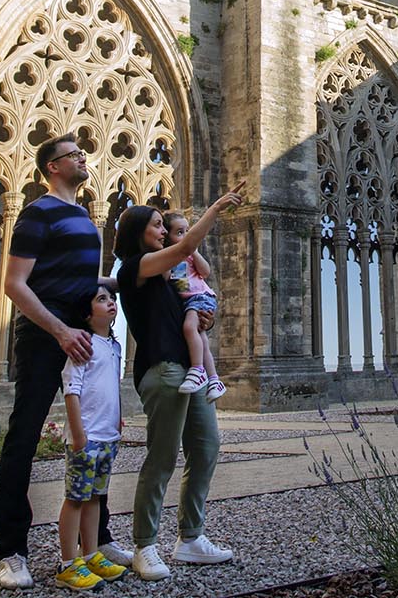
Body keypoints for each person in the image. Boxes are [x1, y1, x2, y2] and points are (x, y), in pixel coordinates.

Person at [0, 134, 130, 590]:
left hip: (82, 340)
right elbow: (15, 283)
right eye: (73, 155)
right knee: (24, 438)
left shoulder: (85, 220)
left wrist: (141, 280)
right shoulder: (37, 213)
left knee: (95, 439)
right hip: (44, 337)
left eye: (81, 154)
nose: (82, 158)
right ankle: (12, 551)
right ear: (52, 167)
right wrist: (60, 330)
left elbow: (83, 279)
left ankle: (97, 541)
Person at [113, 189, 243, 581]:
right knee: (162, 457)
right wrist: (216, 208)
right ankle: (145, 544)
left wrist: (205, 320)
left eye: (162, 224)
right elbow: (187, 243)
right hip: (164, 370)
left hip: (192, 371)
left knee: (206, 447)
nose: (162, 229)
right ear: (138, 231)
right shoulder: (135, 267)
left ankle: (190, 538)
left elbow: (191, 306)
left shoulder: (167, 276)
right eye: (155, 224)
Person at [55, 284, 129, 591]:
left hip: (108, 435)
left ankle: (91, 553)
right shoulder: (82, 344)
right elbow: (71, 389)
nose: (111, 303)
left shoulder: (114, 346)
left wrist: (118, 420)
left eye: (111, 298)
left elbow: (113, 388)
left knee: (96, 497)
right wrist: (78, 435)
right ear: (87, 314)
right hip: (87, 437)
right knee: (75, 498)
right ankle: (68, 564)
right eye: (102, 299)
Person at [164, 212, 225, 399]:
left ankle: (198, 370)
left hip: (200, 296)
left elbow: (205, 272)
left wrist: (194, 251)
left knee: (190, 327)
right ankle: (214, 379)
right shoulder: (171, 258)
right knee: (201, 338)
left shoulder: (189, 257)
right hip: (191, 298)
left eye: (187, 232)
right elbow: (180, 284)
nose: (186, 236)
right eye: (180, 232)